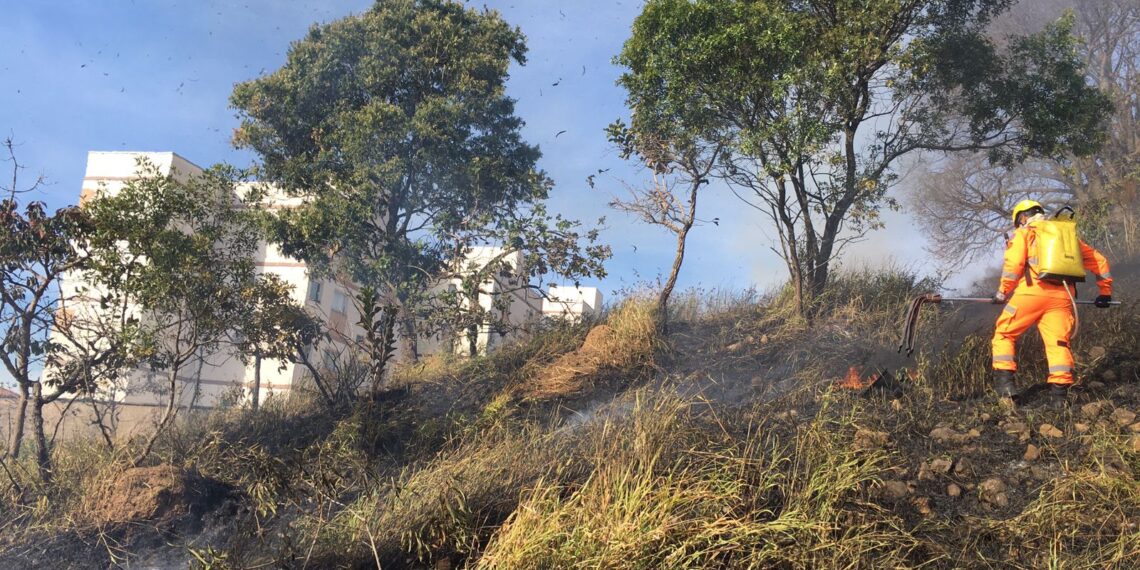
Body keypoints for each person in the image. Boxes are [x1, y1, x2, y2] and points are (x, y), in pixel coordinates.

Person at [991, 199, 1113, 403]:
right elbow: (1100, 261)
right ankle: (1059, 398)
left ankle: (1006, 387)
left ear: (1022, 217)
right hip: (1063, 299)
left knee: (1004, 333)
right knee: (1058, 343)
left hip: (1031, 293)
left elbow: (1014, 264)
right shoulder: (1065, 235)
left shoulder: (1025, 233)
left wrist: (1002, 292)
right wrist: (1105, 292)